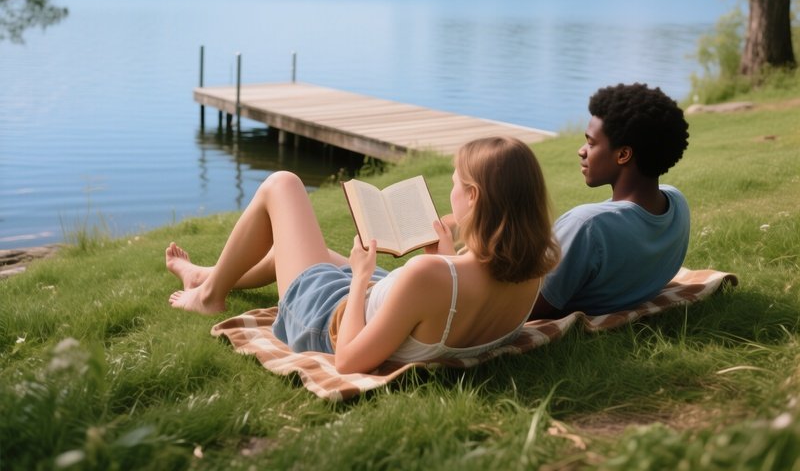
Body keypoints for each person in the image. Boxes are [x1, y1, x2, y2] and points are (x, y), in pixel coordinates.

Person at [167, 136, 560, 374]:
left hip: (326, 322)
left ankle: (208, 295)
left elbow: (349, 360)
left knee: (282, 184)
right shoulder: (531, 269)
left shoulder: (428, 275)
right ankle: (208, 273)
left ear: (473, 197)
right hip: (389, 302)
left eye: (457, 184)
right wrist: (445, 254)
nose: (452, 192)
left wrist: (358, 278)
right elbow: (458, 301)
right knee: (299, 249)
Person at [530, 83, 690, 318]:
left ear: (623, 155)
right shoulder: (677, 203)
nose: (581, 151)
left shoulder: (587, 225)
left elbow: (530, 307)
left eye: (591, 143)